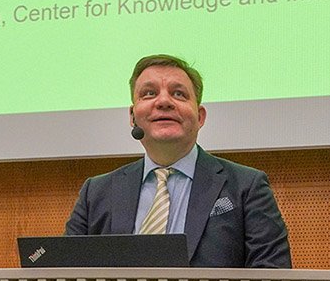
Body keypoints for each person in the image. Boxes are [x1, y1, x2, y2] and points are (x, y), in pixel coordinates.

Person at [65, 54, 292, 268]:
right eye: (149, 93)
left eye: (179, 94)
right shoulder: (96, 192)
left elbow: (273, 280)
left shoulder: (247, 187)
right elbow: (63, 275)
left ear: (200, 117)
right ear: (133, 117)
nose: (164, 101)